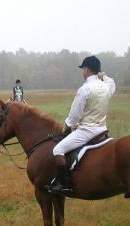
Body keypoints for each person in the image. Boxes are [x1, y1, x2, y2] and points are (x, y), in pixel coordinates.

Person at [46, 56, 116, 195]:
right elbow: (112, 83)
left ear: (87, 69)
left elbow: (74, 116)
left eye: (83, 69)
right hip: (102, 129)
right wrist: (104, 76)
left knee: (58, 149)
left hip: (87, 131)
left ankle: (63, 185)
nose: (82, 72)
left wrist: (66, 125)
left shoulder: (85, 89)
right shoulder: (106, 86)